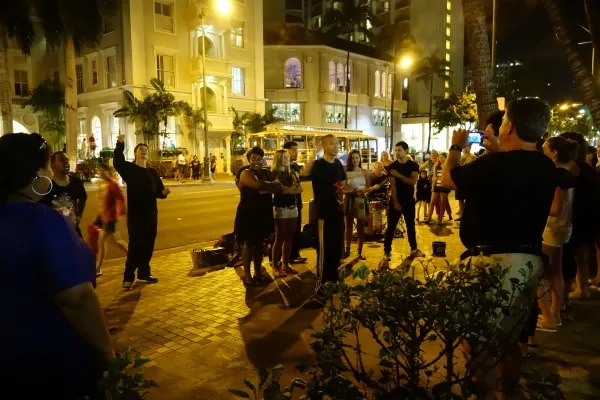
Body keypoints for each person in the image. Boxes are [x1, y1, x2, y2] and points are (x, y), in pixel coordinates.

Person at [441, 98, 557, 400]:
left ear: (510, 126)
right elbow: (514, 172)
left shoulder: (493, 164)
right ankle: (508, 393)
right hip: (528, 260)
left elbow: (448, 179)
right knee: (510, 338)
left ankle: (484, 392)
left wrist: (455, 147)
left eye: (505, 121)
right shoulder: (546, 165)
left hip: (493, 260)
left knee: (476, 337)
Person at [0, 133, 114, 399]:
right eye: (47, 164)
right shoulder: (44, 221)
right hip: (47, 361)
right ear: (36, 174)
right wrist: (107, 352)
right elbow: (76, 297)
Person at [113, 134, 170, 290]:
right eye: (140, 149)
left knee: (148, 244)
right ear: (135, 153)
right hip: (136, 215)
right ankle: (128, 277)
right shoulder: (130, 169)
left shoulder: (152, 173)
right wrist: (120, 143)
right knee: (135, 245)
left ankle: (144, 273)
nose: (144, 150)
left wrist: (164, 193)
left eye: (145, 149)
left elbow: (158, 192)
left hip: (150, 214)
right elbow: (117, 162)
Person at [536, 137, 577, 332]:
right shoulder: (567, 174)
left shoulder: (559, 176)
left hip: (552, 228)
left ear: (554, 153)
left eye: (545, 149)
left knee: (538, 273)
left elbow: (555, 209)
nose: (542, 151)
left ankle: (548, 318)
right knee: (556, 271)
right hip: (563, 227)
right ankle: (555, 315)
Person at [302, 134, 346, 300]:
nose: (336, 147)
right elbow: (304, 174)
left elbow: (343, 184)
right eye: (332, 144)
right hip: (324, 215)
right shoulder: (318, 165)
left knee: (336, 249)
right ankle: (321, 286)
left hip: (338, 213)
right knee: (324, 251)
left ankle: (332, 282)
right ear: (324, 145)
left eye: (337, 144)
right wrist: (315, 153)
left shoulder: (338, 164)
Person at [234, 147, 282, 285]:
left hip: (263, 212)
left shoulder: (265, 172)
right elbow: (257, 185)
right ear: (249, 160)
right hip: (249, 213)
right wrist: (270, 186)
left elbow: (278, 187)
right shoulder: (246, 173)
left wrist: (268, 187)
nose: (256, 161)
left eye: (259, 158)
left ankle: (258, 272)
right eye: (253, 158)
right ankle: (247, 275)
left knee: (260, 243)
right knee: (249, 243)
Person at [384, 141, 424, 260]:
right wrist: (396, 202)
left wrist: (399, 175)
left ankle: (414, 249)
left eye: (399, 150)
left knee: (410, 225)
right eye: (395, 150)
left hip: (408, 199)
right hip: (396, 199)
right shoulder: (392, 166)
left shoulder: (413, 165)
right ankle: (387, 251)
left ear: (406, 151)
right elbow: (393, 186)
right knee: (391, 226)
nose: (397, 153)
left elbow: (412, 182)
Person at [270, 149, 303, 277]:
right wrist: (291, 189)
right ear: (278, 159)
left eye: (287, 157)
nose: (286, 159)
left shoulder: (292, 172)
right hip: (280, 207)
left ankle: (285, 264)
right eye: (283, 157)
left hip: (292, 206)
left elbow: (299, 188)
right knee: (280, 237)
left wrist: (286, 189)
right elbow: (278, 190)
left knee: (290, 236)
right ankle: (275, 266)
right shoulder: (273, 173)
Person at [41, 151, 87, 238]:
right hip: (53, 233)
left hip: (72, 231)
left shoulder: (76, 182)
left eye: (67, 160)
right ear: (52, 164)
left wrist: (79, 215)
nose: (66, 162)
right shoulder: (47, 185)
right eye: (62, 160)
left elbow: (83, 197)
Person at [95, 163, 129, 277]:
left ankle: (98, 268)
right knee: (116, 241)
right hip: (105, 217)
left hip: (110, 217)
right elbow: (102, 203)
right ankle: (133, 258)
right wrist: (99, 216)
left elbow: (121, 198)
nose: (100, 173)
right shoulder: (104, 185)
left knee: (102, 242)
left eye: (102, 171)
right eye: (99, 171)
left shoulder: (113, 184)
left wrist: (125, 214)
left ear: (108, 172)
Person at [343, 149, 371, 260]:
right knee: (348, 227)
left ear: (360, 159)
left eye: (357, 158)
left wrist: (367, 190)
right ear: (350, 160)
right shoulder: (346, 172)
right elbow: (343, 189)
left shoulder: (364, 172)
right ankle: (347, 250)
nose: (355, 160)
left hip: (361, 200)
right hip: (350, 199)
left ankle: (359, 252)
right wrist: (353, 191)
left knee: (360, 228)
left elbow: (368, 187)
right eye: (353, 158)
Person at [283, 141, 308, 264]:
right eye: (293, 150)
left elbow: (303, 177)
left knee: (296, 229)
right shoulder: (283, 168)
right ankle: (286, 257)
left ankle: (294, 254)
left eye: (296, 150)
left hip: (297, 201)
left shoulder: (295, 166)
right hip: (287, 204)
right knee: (286, 232)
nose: (296, 153)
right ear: (286, 151)